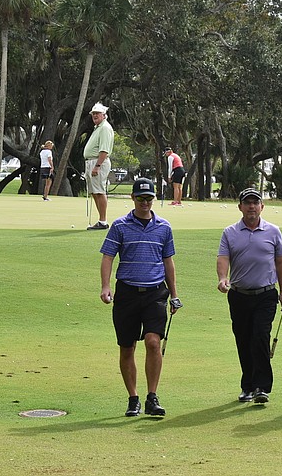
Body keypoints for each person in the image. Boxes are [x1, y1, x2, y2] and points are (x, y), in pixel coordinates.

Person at [99, 177, 182, 417]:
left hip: (155, 292)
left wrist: (174, 294)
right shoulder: (120, 226)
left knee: (153, 342)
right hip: (127, 293)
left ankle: (152, 397)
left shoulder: (164, 227)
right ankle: (133, 398)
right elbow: (108, 257)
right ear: (132, 198)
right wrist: (106, 286)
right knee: (127, 347)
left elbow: (168, 262)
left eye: (149, 198)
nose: (145, 202)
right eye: (140, 198)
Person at [217, 188, 282, 404]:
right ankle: (247, 386)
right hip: (239, 295)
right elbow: (223, 258)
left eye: (255, 203)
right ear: (240, 207)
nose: (251, 207)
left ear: (262, 207)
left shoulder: (273, 231)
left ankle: (261, 387)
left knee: (260, 336)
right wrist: (222, 278)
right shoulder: (230, 232)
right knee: (244, 340)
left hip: (265, 295)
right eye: (247, 203)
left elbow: (281, 262)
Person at [84, 102, 115, 230]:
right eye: (93, 114)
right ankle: (101, 220)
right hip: (92, 162)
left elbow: (104, 150)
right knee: (95, 192)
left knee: (99, 191)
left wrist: (97, 166)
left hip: (98, 162)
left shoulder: (105, 128)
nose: (95, 115)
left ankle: (103, 221)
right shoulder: (98, 128)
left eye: (97, 113)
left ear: (104, 115)